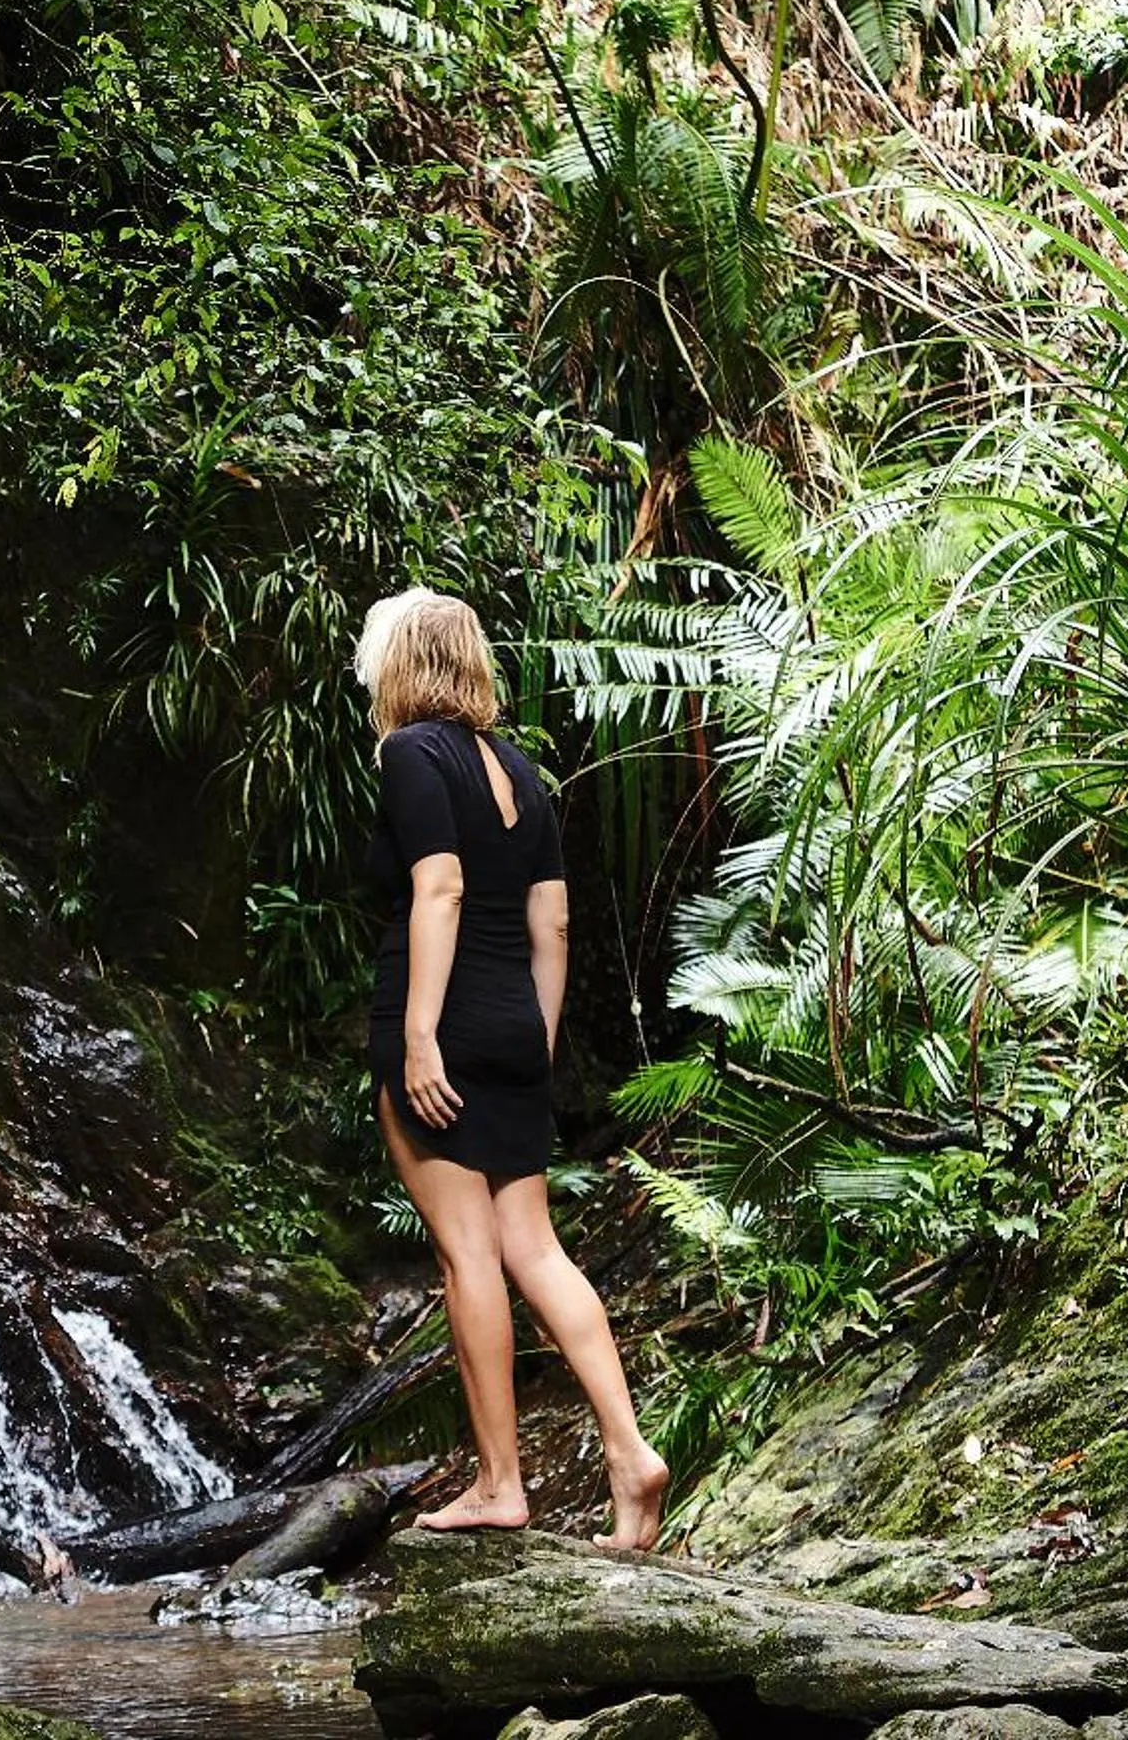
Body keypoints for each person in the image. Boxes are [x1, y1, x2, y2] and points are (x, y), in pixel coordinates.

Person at [355, 586, 669, 1546]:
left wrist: (419, 1037)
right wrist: (532, 1037)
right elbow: (553, 921)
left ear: (405, 659)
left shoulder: (410, 754)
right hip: (515, 1029)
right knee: (534, 1246)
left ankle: (499, 1481)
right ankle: (630, 1452)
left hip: (440, 1021)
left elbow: (438, 889)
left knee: (467, 1253)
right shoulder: (520, 770)